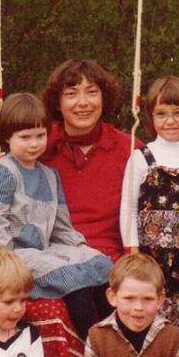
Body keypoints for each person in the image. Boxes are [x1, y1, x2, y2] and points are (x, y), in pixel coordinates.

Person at [0, 92, 113, 357]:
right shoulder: (0, 172)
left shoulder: (50, 175)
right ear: (6, 138)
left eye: (40, 135)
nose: (34, 143)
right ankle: (100, 355)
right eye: (24, 137)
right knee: (77, 286)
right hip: (15, 256)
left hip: (49, 249)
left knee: (99, 271)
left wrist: (82, 249)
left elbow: (63, 227)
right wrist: (15, 262)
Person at [119, 76, 179, 350]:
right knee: (149, 327)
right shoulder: (142, 157)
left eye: (178, 113)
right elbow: (128, 208)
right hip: (151, 259)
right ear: (150, 117)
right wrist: (133, 256)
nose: (170, 121)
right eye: (162, 114)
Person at [40, 59, 140, 261]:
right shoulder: (38, 145)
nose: (83, 102)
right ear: (57, 103)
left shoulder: (131, 149)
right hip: (52, 256)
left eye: (92, 92)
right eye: (71, 93)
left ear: (104, 98)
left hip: (112, 261)